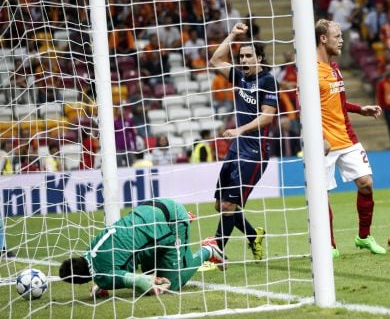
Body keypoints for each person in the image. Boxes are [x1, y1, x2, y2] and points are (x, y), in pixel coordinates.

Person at [315, 19, 386, 257]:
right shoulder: (309, 70)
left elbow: (338, 102)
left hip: (347, 137)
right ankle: (329, 245)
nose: (341, 39)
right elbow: (304, 107)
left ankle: (364, 237)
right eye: (337, 36)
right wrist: (320, 136)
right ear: (323, 38)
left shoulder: (334, 67)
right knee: (322, 195)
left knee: (366, 184)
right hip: (323, 143)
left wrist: (360, 109)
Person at [208, 22, 278, 264]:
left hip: (255, 153)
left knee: (229, 205)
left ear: (259, 58)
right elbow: (215, 61)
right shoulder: (238, 76)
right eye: (241, 56)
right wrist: (233, 35)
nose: (244, 60)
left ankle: (215, 254)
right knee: (220, 205)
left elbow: (268, 115)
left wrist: (240, 130)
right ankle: (253, 235)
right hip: (237, 150)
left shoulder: (268, 81)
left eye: (249, 56)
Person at [59, 198, 223, 296]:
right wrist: (102, 284)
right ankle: (181, 221)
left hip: (170, 221)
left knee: (172, 284)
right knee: (150, 269)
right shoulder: (90, 249)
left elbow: (139, 281)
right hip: (150, 208)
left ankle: (208, 249)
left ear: (80, 282)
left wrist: (152, 286)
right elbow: (115, 260)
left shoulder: (104, 277)